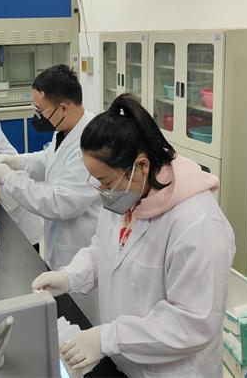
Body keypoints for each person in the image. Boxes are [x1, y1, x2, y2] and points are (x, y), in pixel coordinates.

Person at [32, 94, 235, 377]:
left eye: (105, 181)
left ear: (141, 166)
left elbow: (191, 324)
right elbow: (104, 249)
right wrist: (69, 277)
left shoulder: (198, 224)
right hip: (125, 362)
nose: (102, 191)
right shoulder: (128, 195)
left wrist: (108, 338)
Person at [0, 65, 101, 270]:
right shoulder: (64, 128)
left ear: (63, 108)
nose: (38, 116)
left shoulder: (93, 142)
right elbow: (48, 159)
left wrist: (8, 178)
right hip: (59, 243)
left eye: (41, 110)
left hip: (79, 250)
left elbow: (59, 203)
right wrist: (16, 162)